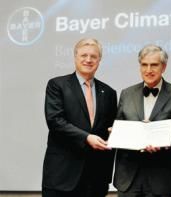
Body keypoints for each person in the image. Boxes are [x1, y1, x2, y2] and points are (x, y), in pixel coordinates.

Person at [42, 38, 117, 197]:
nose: (88, 60)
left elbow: (111, 128)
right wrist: (86, 137)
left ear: (99, 60)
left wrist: (117, 132)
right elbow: (55, 121)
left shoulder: (109, 92)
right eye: (84, 55)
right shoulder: (57, 85)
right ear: (75, 57)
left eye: (93, 56)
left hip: (96, 178)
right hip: (62, 176)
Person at [113, 44, 171, 197]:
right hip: (128, 177)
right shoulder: (127, 93)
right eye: (144, 65)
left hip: (160, 177)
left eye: (154, 65)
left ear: (163, 67)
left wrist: (161, 142)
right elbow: (118, 124)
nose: (148, 70)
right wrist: (115, 133)